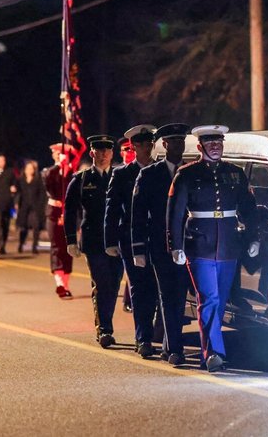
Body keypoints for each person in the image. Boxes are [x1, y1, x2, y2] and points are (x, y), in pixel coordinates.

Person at [167, 125, 259, 373]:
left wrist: (253, 238)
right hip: (199, 244)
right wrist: (175, 245)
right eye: (210, 143)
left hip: (228, 244)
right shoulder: (186, 174)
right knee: (209, 298)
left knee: (219, 301)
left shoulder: (235, 174)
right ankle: (214, 354)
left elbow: (249, 209)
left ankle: (208, 351)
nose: (216, 146)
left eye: (219, 142)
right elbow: (175, 214)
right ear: (200, 147)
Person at [132, 123, 191, 366]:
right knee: (167, 295)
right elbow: (137, 214)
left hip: (188, 244)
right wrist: (137, 248)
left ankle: (169, 344)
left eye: (181, 141)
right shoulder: (149, 175)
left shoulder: (191, 171)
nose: (178, 145)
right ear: (164, 145)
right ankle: (176, 348)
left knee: (180, 295)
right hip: (159, 245)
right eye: (173, 142)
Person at [105, 124, 160, 359]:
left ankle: (161, 337)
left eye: (150, 145)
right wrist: (110, 241)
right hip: (129, 240)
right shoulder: (122, 174)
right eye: (141, 145)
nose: (146, 149)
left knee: (159, 289)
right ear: (133, 147)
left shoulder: (161, 171)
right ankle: (143, 338)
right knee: (139, 289)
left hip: (157, 238)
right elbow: (113, 209)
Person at [64, 135, 123, 348]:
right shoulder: (81, 179)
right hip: (94, 239)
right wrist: (71, 240)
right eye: (99, 151)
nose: (104, 155)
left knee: (114, 284)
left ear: (112, 154)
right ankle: (104, 329)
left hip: (116, 239)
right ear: (92, 153)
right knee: (102, 283)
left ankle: (106, 323)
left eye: (107, 151)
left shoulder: (119, 176)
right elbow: (70, 210)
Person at [44, 144, 76, 298]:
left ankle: (66, 283)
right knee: (56, 247)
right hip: (54, 213)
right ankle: (59, 283)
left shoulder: (71, 172)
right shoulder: (50, 172)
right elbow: (48, 185)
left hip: (68, 213)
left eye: (61, 153)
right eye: (56, 153)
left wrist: (67, 169)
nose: (58, 155)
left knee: (68, 248)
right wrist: (59, 168)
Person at [15, 160, 46, 254]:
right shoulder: (20, 180)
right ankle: (21, 244)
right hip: (24, 207)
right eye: (27, 168)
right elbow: (17, 192)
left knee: (36, 226)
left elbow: (42, 194)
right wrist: (16, 202)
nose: (29, 170)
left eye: (31, 168)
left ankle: (34, 246)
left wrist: (41, 205)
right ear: (24, 170)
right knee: (24, 227)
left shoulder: (38, 180)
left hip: (35, 207)